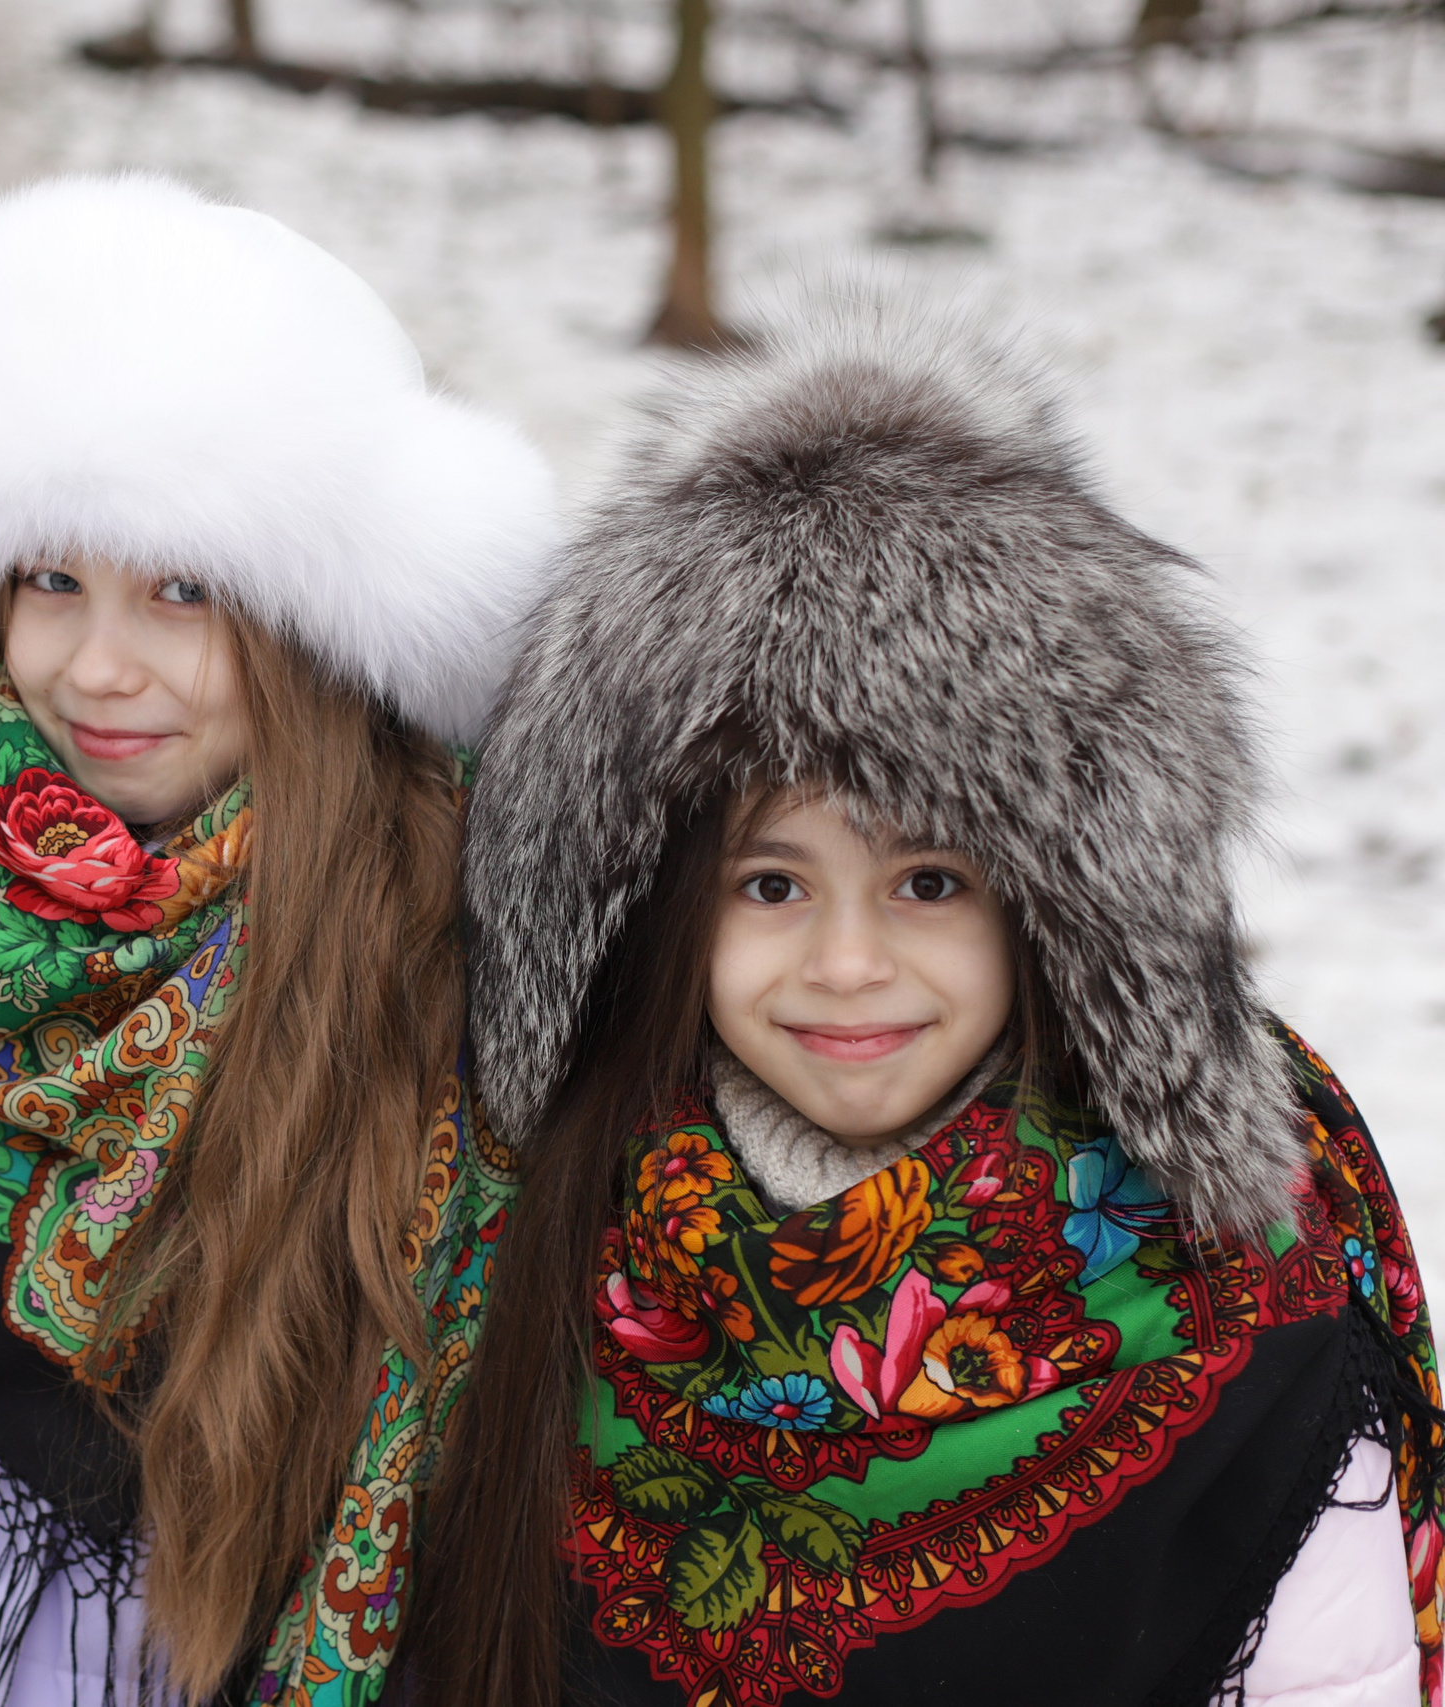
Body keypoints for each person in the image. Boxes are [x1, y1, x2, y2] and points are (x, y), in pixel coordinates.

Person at [419, 313, 1445, 1707]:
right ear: (654, 901)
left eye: (928, 879)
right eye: (772, 883)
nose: (848, 963)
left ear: (1060, 896)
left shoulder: (1237, 1301)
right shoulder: (540, 1246)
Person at [0, 174, 560, 1707]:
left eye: (182, 587)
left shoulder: (469, 934)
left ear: (315, 608)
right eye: (53, 577)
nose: (98, 666)